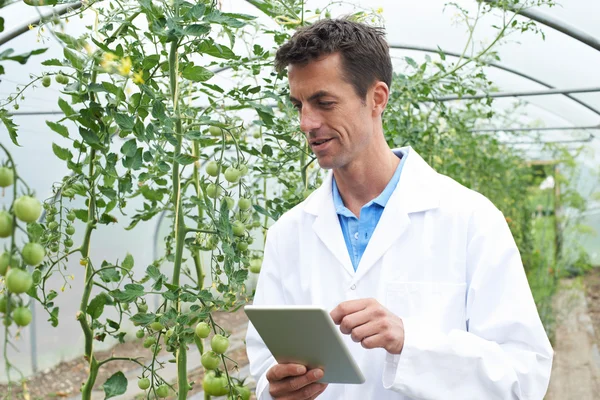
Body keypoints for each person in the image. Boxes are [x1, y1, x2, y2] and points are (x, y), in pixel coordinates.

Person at [245, 18, 553, 400]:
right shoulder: (289, 233)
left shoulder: (470, 219)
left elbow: (524, 374)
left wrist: (411, 343)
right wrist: (275, 388)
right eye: (299, 104)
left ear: (377, 98)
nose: (307, 123)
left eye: (324, 102)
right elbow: (262, 366)